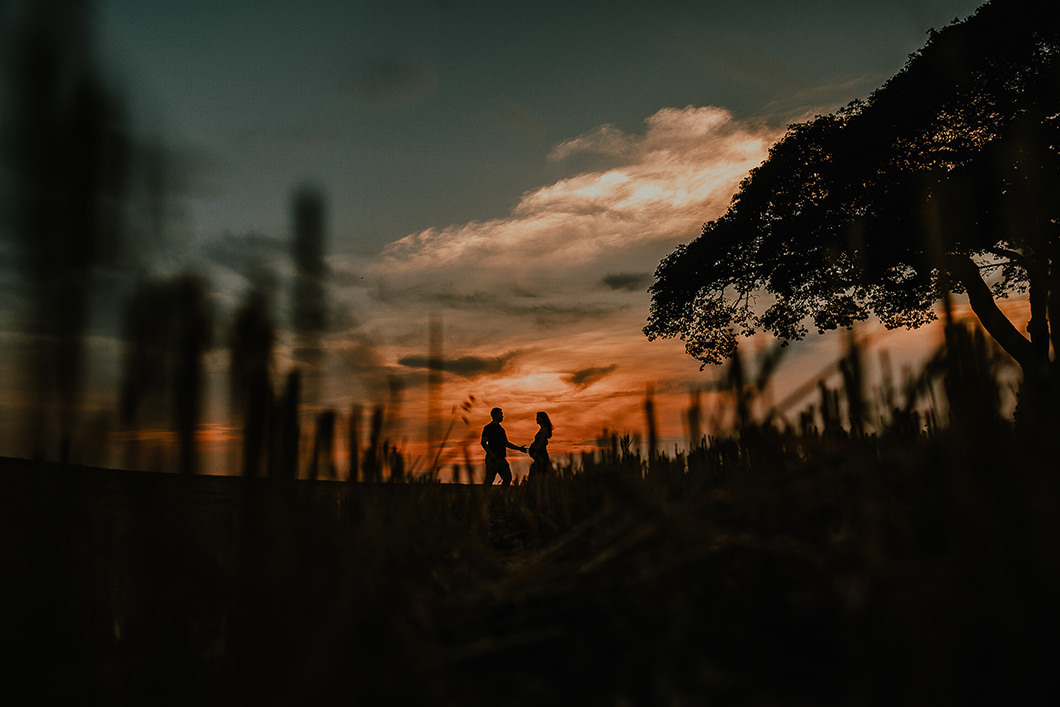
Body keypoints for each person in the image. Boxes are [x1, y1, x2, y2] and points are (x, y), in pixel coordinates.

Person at [481, 407, 526, 486]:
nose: (502, 416)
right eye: (500, 414)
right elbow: (483, 443)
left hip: (501, 459)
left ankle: (502, 495)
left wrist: (519, 448)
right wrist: (492, 455)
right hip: (492, 460)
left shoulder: (501, 429)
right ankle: (484, 497)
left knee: (508, 478)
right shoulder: (488, 428)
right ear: (495, 415)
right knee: (489, 480)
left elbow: (506, 443)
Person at [528, 411, 553, 479]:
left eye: (537, 418)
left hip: (541, 455)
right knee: (537, 473)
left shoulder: (544, 430)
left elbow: (541, 443)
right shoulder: (542, 429)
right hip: (540, 455)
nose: (536, 419)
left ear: (542, 419)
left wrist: (536, 452)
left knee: (537, 474)